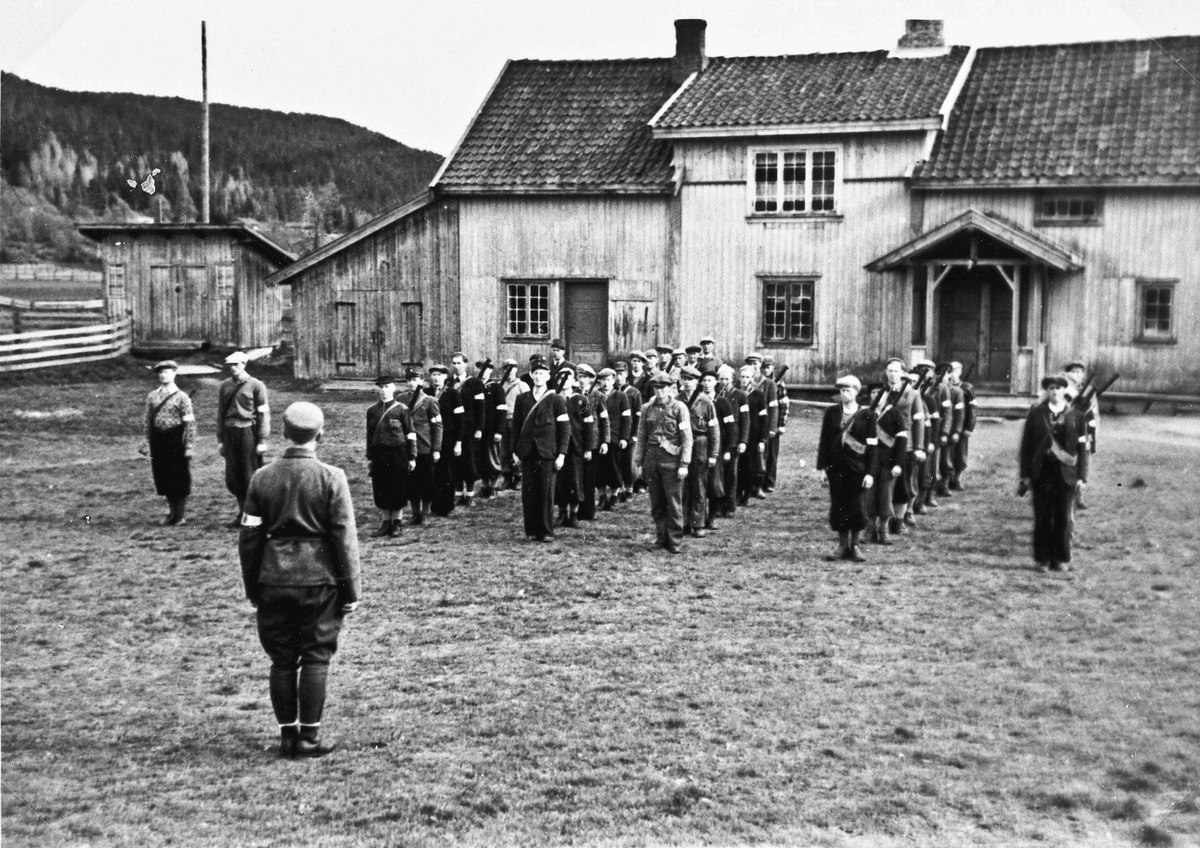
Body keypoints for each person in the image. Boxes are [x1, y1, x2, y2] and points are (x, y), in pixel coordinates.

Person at [239, 401, 360, 759]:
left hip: (272, 579)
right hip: (319, 580)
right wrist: (350, 590)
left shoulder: (262, 477)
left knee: (281, 660)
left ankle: (287, 736)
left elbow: (249, 539)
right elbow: (344, 538)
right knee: (316, 656)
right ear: (320, 434)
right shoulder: (331, 477)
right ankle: (309, 737)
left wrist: (253, 587)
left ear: (284, 433)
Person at [1019, 374, 1090, 573]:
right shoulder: (1036, 414)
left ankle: (1060, 558)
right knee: (1042, 517)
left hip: (1066, 474)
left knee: (1063, 519)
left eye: (1058, 388)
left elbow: (1082, 449)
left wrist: (1082, 476)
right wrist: (1025, 474)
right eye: (1050, 388)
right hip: (1041, 473)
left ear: (1064, 391)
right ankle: (1042, 559)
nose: (1054, 392)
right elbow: (1026, 446)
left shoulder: (1077, 416)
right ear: (1047, 392)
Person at [816, 375, 878, 562]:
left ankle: (856, 546)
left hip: (858, 468)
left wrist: (870, 473)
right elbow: (825, 441)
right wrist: (821, 469)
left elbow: (873, 446)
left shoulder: (868, 415)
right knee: (839, 505)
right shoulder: (831, 413)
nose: (844, 394)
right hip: (836, 468)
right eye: (842, 390)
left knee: (857, 506)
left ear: (857, 392)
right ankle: (842, 545)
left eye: (848, 390)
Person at [511, 356, 570, 542]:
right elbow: (515, 427)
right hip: (528, 452)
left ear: (548, 376)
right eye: (535, 373)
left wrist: (561, 454)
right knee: (528, 492)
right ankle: (530, 531)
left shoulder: (556, 400)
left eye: (542, 373)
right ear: (530, 375)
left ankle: (545, 531)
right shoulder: (522, 399)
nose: (538, 377)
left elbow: (564, 429)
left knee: (546, 492)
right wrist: (515, 450)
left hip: (548, 453)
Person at [633, 372, 693, 553]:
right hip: (652, 461)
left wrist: (684, 464)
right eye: (657, 388)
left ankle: (674, 541)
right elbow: (642, 436)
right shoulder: (647, 408)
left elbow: (687, 438)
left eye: (664, 388)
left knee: (673, 503)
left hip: (672, 462)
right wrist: (638, 462)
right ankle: (661, 538)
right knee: (657, 503)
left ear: (670, 388)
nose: (660, 391)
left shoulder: (679, 408)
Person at [217, 351, 270, 527]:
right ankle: (241, 514)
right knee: (234, 476)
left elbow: (263, 414)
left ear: (244, 364)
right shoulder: (224, 386)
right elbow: (220, 414)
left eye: (236, 364)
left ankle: (255, 516)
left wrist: (262, 440)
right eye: (230, 365)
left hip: (248, 431)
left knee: (250, 474)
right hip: (230, 432)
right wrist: (220, 439)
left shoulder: (256, 385)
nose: (232, 368)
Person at [143, 360, 195, 526]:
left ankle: (180, 515)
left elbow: (189, 424)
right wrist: (147, 440)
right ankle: (171, 514)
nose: (163, 375)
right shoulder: (152, 395)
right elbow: (147, 420)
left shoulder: (182, 398)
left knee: (178, 477)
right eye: (160, 372)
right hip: (159, 440)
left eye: (166, 372)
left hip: (176, 440)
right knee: (163, 476)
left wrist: (189, 445)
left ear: (174, 373)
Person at [365, 374, 416, 537]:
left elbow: (410, 433)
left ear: (393, 388)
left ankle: (397, 523)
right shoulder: (372, 411)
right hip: (379, 454)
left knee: (398, 487)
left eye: (386, 387)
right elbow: (370, 435)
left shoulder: (402, 409)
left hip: (397, 453)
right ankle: (386, 522)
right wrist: (370, 457)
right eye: (380, 387)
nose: (383, 390)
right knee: (381, 487)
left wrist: (412, 456)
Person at [679, 366, 719, 537]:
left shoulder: (706, 402)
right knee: (682, 486)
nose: (688, 383)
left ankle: (698, 523)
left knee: (698, 485)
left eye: (691, 379)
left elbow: (714, 430)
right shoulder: (677, 400)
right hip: (682, 444)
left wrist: (713, 454)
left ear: (697, 382)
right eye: (685, 379)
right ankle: (685, 522)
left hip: (700, 444)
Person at [554, 364, 596, 528]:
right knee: (560, 481)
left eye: (568, 377)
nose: (564, 381)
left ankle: (573, 515)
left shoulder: (582, 400)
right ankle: (561, 513)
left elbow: (589, 425)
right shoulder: (554, 399)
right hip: (558, 449)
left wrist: (588, 448)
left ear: (573, 380)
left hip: (577, 449)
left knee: (576, 481)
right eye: (561, 377)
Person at [403, 368, 442, 525]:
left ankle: (425, 514)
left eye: (415, 380)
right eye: (409, 380)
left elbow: (437, 426)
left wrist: (436, 449)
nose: (412, 383)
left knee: (426, 483)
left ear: (421, 381)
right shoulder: (400, 399)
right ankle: (415, 513)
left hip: (424, 447)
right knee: (411, 483)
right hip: (407, 448)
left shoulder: (429, 401)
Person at [450, 352, 485, 506]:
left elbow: (481, 408)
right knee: (455, 461)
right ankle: (458, 493)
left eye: (459, 363)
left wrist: (479, 428)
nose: (456, 366)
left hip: (469, 428)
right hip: (452, 428)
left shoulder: (475, 383)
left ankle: (469, 494)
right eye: (454, 363)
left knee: (469, 460)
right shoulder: (448, 382)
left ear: (465, 364)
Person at [575, 363, 609, 521]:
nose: (581, 380)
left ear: (591, 379)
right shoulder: (573, 394)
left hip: (593, 442)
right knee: (576, 477)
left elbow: (604, 420)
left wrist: (604, 441)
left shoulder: (598, 396)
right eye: (579, 377)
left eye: (584, 377)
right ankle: (573, 509)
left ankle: (588, 511)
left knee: (589, 477)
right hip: (575, 441)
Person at [1064, 360, 1098, 510]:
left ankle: (1079, 497)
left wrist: (1093, 433)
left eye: (1080, 372)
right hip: (1069, 432)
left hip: (1085, 431)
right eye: (1074, 371)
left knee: (1084, 464)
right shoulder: (1064, 389)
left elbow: (1094, 412)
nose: (1077, 374)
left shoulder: (1089, 391)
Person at [716, 364, 749, 517]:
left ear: (732, 379)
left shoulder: (741, 396)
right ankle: (716, 506)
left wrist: (743, 441)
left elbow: (745, 420)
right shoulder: (715, 395)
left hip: (733, 440)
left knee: (731, 474)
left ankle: (729, 506)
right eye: (721, 379)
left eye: (727, 379)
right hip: (718, 440)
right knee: (717, 475)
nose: (724, 382)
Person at [429, 364, 462, 517]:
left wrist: (458, 442)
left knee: (446, 474)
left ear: (445, 377)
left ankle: (447, 506)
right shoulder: (425, 393)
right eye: (434, 374)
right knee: (433, 474)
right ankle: (434, 506)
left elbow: (460, 420)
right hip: (429, 440)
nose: (436, 377)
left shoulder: (453, 394)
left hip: (448, 440)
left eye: (439, 375)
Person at [597, 367, 631, 510]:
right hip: (597, 438)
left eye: (609, 380)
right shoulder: (594, 395)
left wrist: (624, 437)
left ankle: (614, 495)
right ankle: (602, 496)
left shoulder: (621, 396)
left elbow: (627, 419)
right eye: (603, 380)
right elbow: (584, 412)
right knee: (599, 469)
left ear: (613, 380)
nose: (606, 383)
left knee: (614, 467)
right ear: (599, 381)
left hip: (615, 438)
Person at [701, 368, 731, 530]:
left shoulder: (722, 402)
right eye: (704, 381)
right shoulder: (697, 400)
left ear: (716, 383)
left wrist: (727, 449)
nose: (707, 384)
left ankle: (711, 518)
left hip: (716, 448)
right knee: (698, 485)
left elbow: (730, 428)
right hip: (699, 448)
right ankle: (699, 518)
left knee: (714, 484)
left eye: (710, 381)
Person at [736, 364, 768, 505]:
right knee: (738, 466)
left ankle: (747, 495)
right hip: (738, 434)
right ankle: (736, 493)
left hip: (753, 435)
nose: (744, 379)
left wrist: (762, 439)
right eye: (742, 377)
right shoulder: (736, 393)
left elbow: (764, 418)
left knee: (750, 466)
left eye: (748, 377)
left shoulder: (757, 394)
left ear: (753, 378)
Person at [477, 359, 507, 498]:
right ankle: (484, 486)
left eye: (486, 368)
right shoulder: (474, 386)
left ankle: (493, 487)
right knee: (481, 459)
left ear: (490, 370)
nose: (482, 371)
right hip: (478, 431)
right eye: (480, 368)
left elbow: (501, 410)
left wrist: (499, 431)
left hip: (492, 430)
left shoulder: (496, 388)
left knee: (493, 459)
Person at [615, 361, 643, 502]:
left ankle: (630, 488)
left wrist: (634, 434)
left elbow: (638, 414)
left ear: (626, 375)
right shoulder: (612, 392)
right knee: (617, 461)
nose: (618, 377)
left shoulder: (634, 392)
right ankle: (619, 488)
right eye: (616, 374)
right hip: (616, 431)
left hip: (630, 431)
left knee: (629, 461)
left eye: (621, 374)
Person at [498, 359, 527, 491]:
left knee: (516, 449)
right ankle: (507, 477)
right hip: (503, 420)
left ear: (516, 369)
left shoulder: (522, 385)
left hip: (517, 421)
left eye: (512, 368)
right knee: (504, 451)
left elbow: (528, 405)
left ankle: (519, 477)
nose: (509, 371)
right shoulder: (499, 385)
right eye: (506, 368)